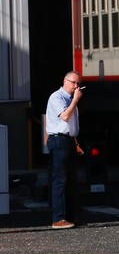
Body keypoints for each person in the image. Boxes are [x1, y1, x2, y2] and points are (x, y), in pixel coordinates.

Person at [45, 71, 83, 229]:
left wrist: (75, 142)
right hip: (58, 140)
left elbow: (71, 126)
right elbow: (65, 117)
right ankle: (58, 218)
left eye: (78, 83)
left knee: (72, 181)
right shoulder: (57, 97)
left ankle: (69, 217)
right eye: (73, 82)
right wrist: (75, 100)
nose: (76, 86)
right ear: (64, 81)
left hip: (69, 140)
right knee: (60, 180)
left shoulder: (69, 98)